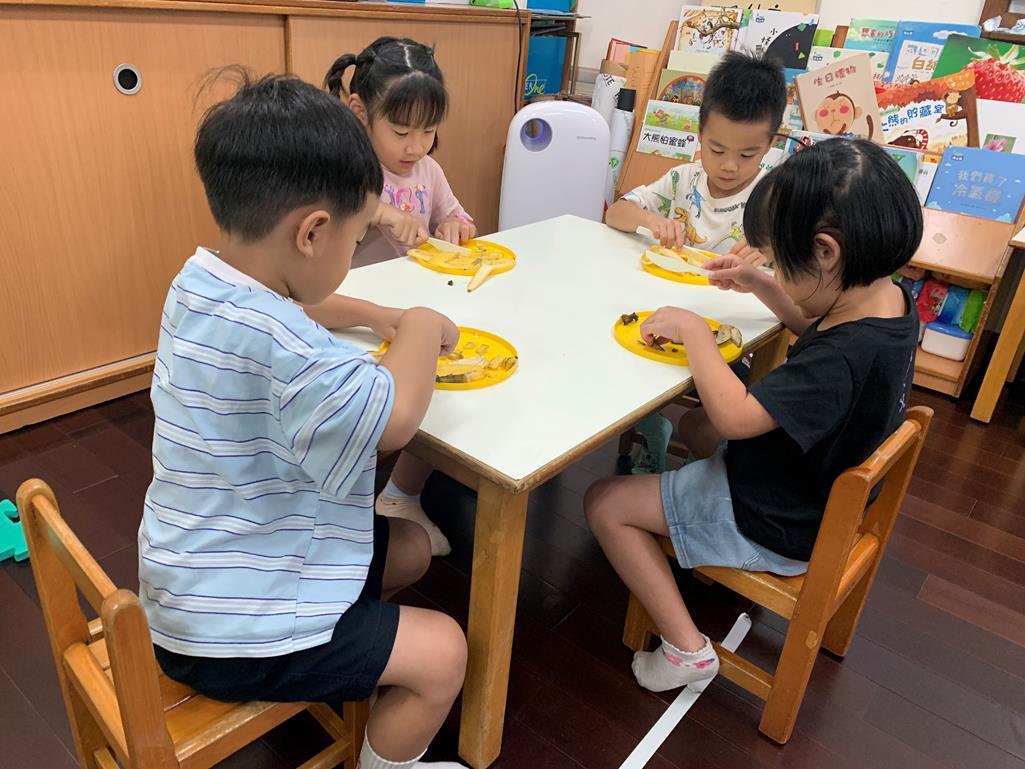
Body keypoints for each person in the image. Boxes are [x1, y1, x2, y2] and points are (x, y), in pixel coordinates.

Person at [138, 71, 468, 769]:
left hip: (192, 580)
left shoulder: (200, 279)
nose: (353, 254)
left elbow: (298, 304)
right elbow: (396, 418)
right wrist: (415, 323)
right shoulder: (287, 349)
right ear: (314, 232)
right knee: (445, 652)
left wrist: (373, 314)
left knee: (410, 546)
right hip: (232, 631)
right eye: (356, 238)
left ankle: (345, 652)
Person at [585, 138, 923, 695]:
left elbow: (738, 419)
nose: (776, 271)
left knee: (604, 502)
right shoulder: (889, 304)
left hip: (777, 518)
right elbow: (817, 330)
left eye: (780, 263)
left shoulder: (841, 360)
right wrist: (762, 285)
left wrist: (695, 331)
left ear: (825, 252)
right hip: (813, 485)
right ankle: (691, 536)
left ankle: (687, 650)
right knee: (694, 426)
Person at [306, 36, 477, 556]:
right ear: (361, 112)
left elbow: (458, 217)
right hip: (347, 318)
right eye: (401, 131)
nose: (416, 146)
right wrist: (377, 211)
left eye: (428, 131)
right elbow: (320, 246)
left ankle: (402, 491)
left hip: (413, 308)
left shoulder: (429, 171)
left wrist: (454, 226)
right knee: (375, 414)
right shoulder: (345, 173)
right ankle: (345, 505)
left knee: (440, 386)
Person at [605, 51, 788, 475]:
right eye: (716, 148)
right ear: (699, 133)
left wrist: (771, 251)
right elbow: (616, 213)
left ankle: (699, 466)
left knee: (712, 411)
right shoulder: (682, 181)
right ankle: (652, 430)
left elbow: (802, 270)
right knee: (618, 355)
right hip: (665, 314)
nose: (729, 166)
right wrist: (652, 220)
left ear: (770, 145)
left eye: (748, 154)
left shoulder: (775, 198)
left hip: (732, 339)